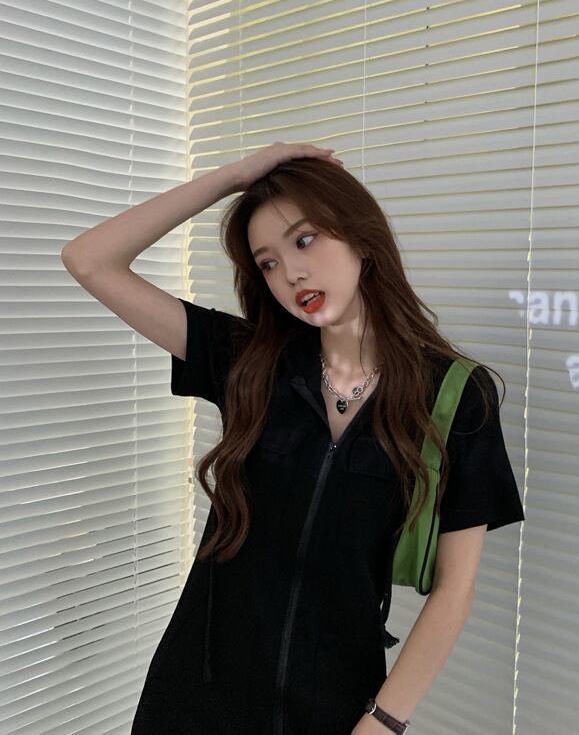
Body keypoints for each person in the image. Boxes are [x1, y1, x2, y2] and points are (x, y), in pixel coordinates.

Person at [61, 143, 525, 735]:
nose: (291, 274)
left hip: (334, 708)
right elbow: (89, 260)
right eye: (268, 263)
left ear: (360, 237)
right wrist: (234, 176)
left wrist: (384, 722)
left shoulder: (455, 396)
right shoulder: (249, 363)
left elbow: (455, 589)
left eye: (304, 240)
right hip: (194, 702)